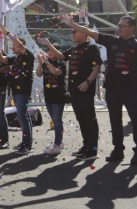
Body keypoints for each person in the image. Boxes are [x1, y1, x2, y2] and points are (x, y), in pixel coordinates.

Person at [59, 15, 137, 165]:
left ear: (132, 28)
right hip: (112, 89)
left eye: (123, 26)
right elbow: (89, 31)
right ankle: (118, 150)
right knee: (115, 121)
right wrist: (73, 24)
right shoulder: (111, 41)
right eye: (118, 25)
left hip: (131, 90)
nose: (119, 28)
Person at [39, 32, 102, 161]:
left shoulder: (91, 47)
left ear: (83, 33)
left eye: (75, 32)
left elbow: (97, 66)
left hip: (85, 89)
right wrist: (49, 45)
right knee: (81, 119)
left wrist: (88, 82)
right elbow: (61, 56)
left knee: (89, 119)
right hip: (74, 90)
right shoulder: (74, 48)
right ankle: (86, 146)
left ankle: (93, 149)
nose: (72, 34)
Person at [0, 23, 36, 155]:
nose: (13, 47)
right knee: (23, 116)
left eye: (16, 45)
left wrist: (7, 33)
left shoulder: (28, 56)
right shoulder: (16, 58)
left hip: (23, 90)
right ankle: (26, 142)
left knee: (23, 117)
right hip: (16, 90)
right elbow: (1, 58)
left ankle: (27, 145)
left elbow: (18, 45)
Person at [35, 43, 68, 155]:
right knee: (55, 120)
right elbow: (39, 74)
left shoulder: (61, 62)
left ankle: (57, 145)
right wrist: (40, 63)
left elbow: (56, 72)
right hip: (48, 95)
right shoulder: (45, 62)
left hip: (58, 96)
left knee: (57, 120)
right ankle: (59, 142)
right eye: (49, 50)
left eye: (53, 51)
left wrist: (47, 62)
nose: (50, 53)